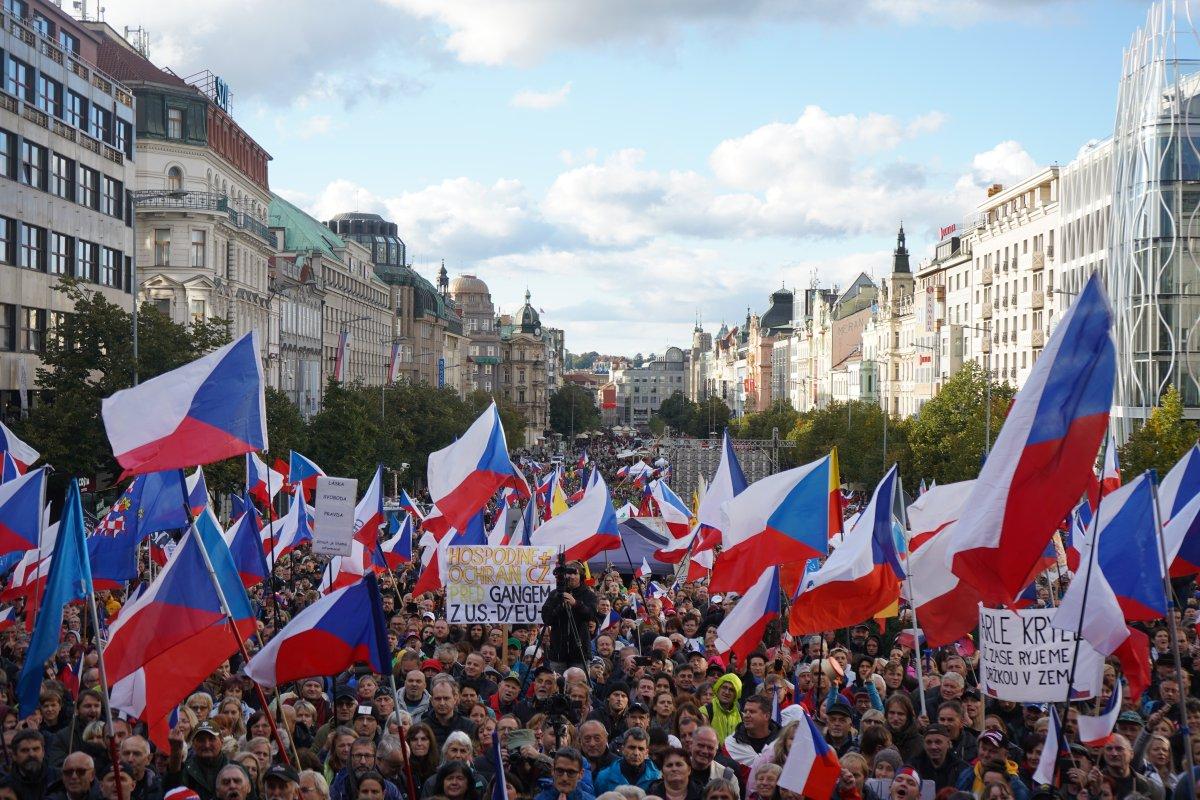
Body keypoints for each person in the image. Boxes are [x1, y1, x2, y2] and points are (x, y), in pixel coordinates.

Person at [540, 561, 598, 672]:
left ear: (580, 576)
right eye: (568, 573)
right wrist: (560, 607)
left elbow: (591, 615)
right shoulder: (555, 594)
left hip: (579, 654)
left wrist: (576, 603)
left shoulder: (588, 594)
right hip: (558, 654)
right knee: (557, 685)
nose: (571, 576)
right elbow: (546, 618)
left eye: (574, 573)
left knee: (578, 687)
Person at [165, 722, 230, 800]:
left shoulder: (236, 770)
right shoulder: (186, 770)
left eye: (212, 739)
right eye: (201, 740)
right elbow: (172, 788)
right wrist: (176, 750)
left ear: (222, 741)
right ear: (193, 744)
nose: (206, 745)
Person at [721, 696, 779, 781]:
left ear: (766, 716)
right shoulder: (730, 745)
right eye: (745, 711)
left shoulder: (781, 744)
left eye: (752, 712)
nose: (746, 715)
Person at [594, 728, 661, 793]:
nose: (636, 753)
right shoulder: (604, 778)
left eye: (641, 749)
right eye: (632, 747)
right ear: (623, 749)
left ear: (646, 752)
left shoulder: (657, 778)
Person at [908, 724, 968, 791]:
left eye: (938, 742)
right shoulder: (913, 766)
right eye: (929, 742)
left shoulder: (960, 769)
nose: (933, 747)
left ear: (948, 744)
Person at [687, 728, 739, 797]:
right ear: (691, 745)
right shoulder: (676, 770)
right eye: (701, 745)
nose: (705, 751)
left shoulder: (728, 777)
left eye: (710, 748)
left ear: (716, 750)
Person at [11, 730, 59, 800]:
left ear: (43, 753)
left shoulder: (58, 778)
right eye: (25, 750)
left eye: (36, 749)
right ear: (14, 755)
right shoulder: (5, 786)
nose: (31, 754)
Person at [702, 675, 742, 743]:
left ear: (736, 694)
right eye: (724, 687)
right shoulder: (705, 712)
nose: (727, 692)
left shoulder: (741, 716)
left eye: (731, 690)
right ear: (718, 689)